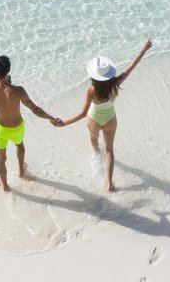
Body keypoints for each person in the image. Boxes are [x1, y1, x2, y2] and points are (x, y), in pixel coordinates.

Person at [55, 38, 152, 193]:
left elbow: (82, 113)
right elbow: (131, 66)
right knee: (109, 151)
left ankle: (95, 157)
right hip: (110, 120)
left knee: (94, 141)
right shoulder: (115, 84)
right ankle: (109, 184)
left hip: (93, 120)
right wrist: (143, 49)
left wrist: (64, 123)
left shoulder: (91, 90)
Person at [0, 54, 59, 192]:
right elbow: (35, 110)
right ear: (8, 71)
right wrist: (51, 118)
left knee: (1, 158)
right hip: (17, 127)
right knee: (19, 144)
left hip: (0, 129)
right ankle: (21, 171)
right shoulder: (18, 91)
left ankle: (5, 186)